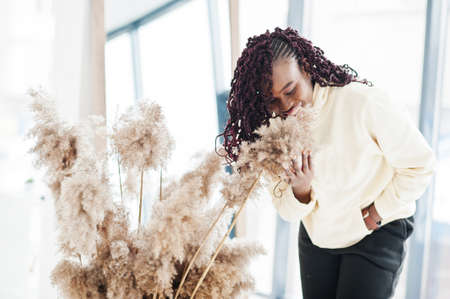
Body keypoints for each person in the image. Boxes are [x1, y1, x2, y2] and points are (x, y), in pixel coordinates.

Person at [216, 27, 436, 298]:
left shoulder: (361, 102)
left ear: (306, 68)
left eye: (290, 89)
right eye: (273, 100)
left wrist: (378, 213)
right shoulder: (273, 134)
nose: (285, 105)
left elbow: (420, 164)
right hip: (318, 240)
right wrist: (301, 189)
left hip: (375, 232)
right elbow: (288, 212)